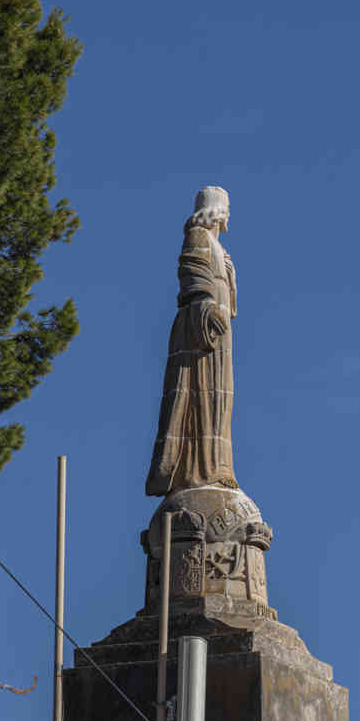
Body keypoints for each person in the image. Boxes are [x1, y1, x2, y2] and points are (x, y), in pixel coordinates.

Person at [146, 186, 238, 496]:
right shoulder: (199, 237)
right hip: (201, 333)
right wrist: (207, 308)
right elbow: (193, 276)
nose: (228, 217)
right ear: (216, 211)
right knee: (199, 397)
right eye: (225, 210)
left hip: (218, 338)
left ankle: (219, 465)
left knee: (218, 402)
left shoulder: (219, 249)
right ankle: (197, 467)